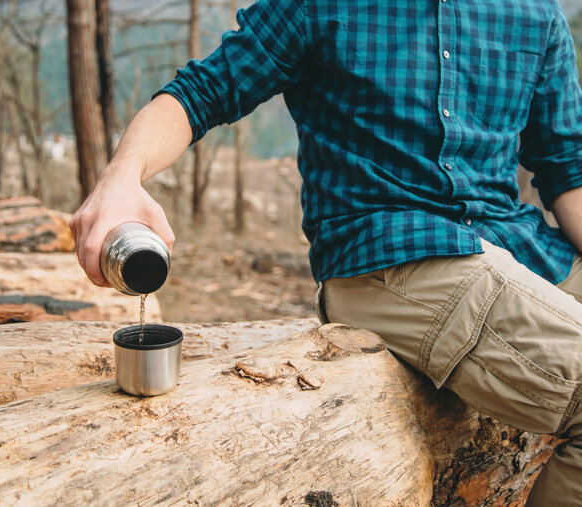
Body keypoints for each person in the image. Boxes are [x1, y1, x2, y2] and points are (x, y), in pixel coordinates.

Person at [69, 0, 582, 504]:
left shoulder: (536, 12)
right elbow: (200, 92)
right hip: (392, 257)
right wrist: (122, 176)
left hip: (524, 247)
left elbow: (567, 166)